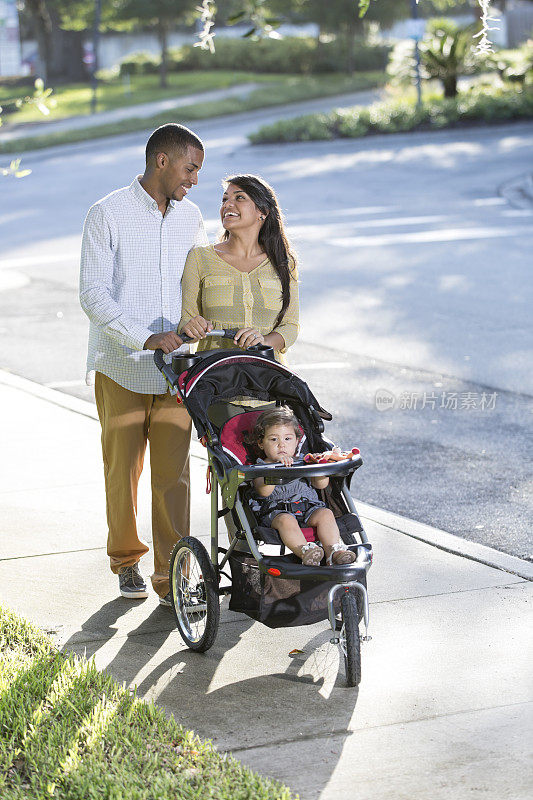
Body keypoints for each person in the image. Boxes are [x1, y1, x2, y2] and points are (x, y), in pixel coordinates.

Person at [79, 123, 207, 605]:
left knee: (173, 475)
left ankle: (171, 573)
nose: (194, 180)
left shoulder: (191, 216)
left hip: (177, 370)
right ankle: (126, 561)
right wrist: (145, 337)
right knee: (123, 470)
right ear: (163, 161)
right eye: (191, 168)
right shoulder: (106, 214)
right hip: (121, 367)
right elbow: (92, 293)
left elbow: (202, 280)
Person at [178, 174, 299, 362]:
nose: (227, 204)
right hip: (215, 381)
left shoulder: (284, 262)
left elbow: (290, 326)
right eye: (225, 199)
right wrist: (191, 327)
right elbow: (186, 321)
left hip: (267, 381)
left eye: (239, 197)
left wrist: (264, 341)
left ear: (263, 211)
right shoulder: (200, 258)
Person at [250, 408, 356, 566]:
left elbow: (321, 485)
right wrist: (277, 472)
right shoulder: (261, 467)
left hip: (308, 508)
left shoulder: (303, 461)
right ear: (261, 443)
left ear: (297, 441)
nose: (281, 445)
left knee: (326, 514)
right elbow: (263, 491)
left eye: (287, 438)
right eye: (273, 440)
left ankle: (333, 551)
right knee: (286, 520)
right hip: (278, 512)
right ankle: (306, 551)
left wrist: (319, 467)